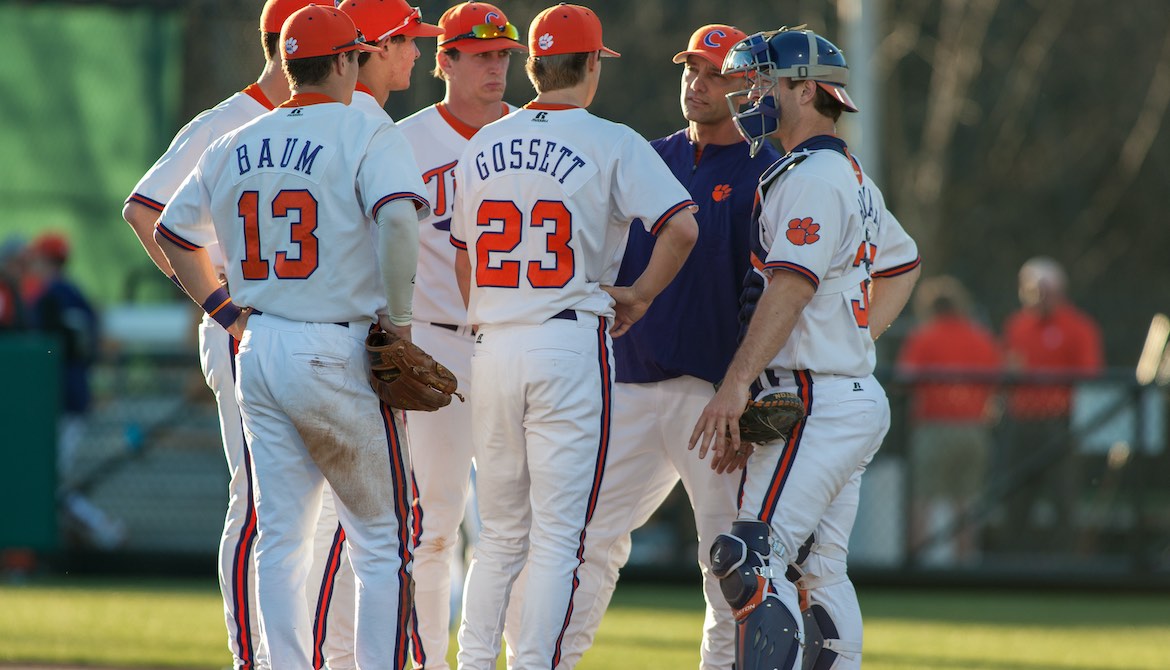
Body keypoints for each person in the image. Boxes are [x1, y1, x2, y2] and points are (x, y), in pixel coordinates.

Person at [153, 5, 428, 667]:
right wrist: (401, 322)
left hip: (260, 346)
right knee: (383, 541)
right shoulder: (364, 130)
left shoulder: (236, 139)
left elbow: (171, 231)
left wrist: (226, 312)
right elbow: (397, 222)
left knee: (280, 538)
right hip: (335, 347)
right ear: (342, 62)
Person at [450, 4, 699, 668]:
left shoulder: (481, 142)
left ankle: (473, 664)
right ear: (591, 65)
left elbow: (465, 255)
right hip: (566, 341)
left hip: (493, 344)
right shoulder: (610, 140)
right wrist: (641, 296)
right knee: (560, 537)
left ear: (532, 65)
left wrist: (491, 316)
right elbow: (683, 226)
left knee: (499, 538)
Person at [525, 23, 780, 669]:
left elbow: (776, 296)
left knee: (726, 561)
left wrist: (748, 391)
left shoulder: (768, 170)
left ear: (748, 85)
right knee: (587, 543)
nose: (698, 82)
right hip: (628, 382)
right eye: (692, 69)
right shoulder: (645, 154)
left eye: (716, 72)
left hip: (713, 398)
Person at [689, 28, 921, 669]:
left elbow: (790, 284)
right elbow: (902, 265)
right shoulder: (846, 173)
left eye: (765, 82)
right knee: (819, 570)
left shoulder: (813, 175)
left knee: (749, 557)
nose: (751, 94)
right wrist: (855, 337)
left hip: (816, 396)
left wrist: (737, 383)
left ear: (806, 88)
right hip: (843, 393)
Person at [120, 1, 340, 667]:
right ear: (285, 44)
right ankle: (254, 658)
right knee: (258, 506)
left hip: (300, 335)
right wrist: (219, 303)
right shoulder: (227, 121)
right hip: (242, 329)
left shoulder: (329, 121)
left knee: (312, 516)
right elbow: (144, 208)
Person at [394, 3, 527, 667]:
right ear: (445, 60)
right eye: (480, 54)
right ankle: (427, 660)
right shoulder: (407, 140)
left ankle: (508, 656)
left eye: (504, 54)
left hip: (515, 347)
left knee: (517, 528)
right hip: (434, 344)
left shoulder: (534, 136)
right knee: (434, 527)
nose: (496, 65)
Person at [24, 232, 124, 550]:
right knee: (48, 479)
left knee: (45, 481)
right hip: (76, 392)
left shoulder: (49, 295)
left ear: (45, 260)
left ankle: (104, 530)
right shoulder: (78, 295)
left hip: (57, 396)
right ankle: (96, 530)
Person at [895, 275, 1002, 565]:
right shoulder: (980, 337)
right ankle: (964, 563)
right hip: (974, 427)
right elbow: (998, 379)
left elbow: (906, 378)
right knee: (966, 500)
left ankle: (915, 561)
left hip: (933, 426)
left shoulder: (924, 336)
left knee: (922, 498)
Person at [999, 256, 1103, 552]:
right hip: (1020, 422)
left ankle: (1066, 564)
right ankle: (1011, 560)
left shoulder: (1079, 327)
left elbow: (1089, 373)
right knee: (1015, 496)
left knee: (1064, 496)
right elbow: (1004, 365)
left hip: (1060, 423)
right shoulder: (1017, 324)